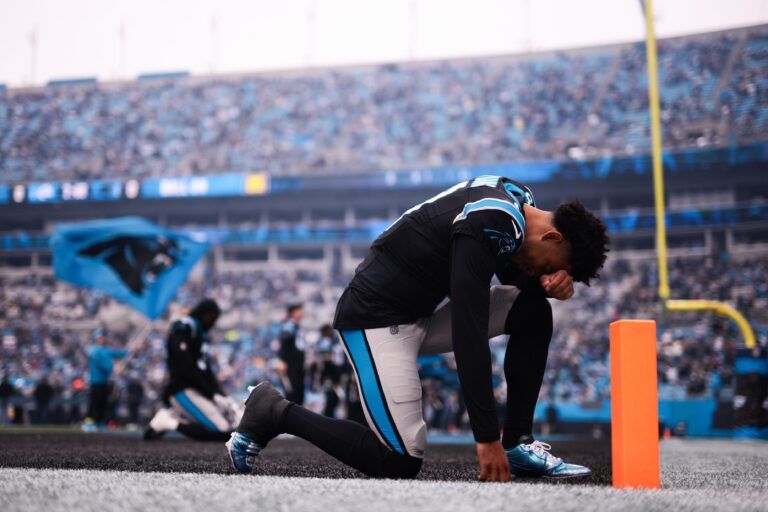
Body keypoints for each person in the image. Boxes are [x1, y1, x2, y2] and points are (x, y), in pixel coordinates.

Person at [228, 175, 609, 481]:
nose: (542, 271)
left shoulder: (515, 198)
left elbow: (511, 273)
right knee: (399, 460)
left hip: (420, 314)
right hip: (375, 320)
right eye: (549, 266)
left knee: (533, 310)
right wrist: (485, 437)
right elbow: (469, 329)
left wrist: (544, 286)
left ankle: (519, 444)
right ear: (553, 236)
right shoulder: (493, 219)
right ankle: (275, 411)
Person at [144, 298, 243, 441]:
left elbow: (205, 371)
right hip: (182, 389)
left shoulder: (199, 333)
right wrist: (211, 394)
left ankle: (177, 415)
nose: (213, 323)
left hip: (195, 389)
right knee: (221, 432)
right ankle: (170, 422)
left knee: (229, 429)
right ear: (207, 315)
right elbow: (186, 367)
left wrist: (220, 394)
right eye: (213, 318)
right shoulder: (185, 327)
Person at [85, 329, 128, 431]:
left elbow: (117, 353)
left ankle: (99, 423)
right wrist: (114, 368)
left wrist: (130, 350)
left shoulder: (103, 350)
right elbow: (105, 365)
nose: (103, 339)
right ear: (97, 339)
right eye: (101, 337)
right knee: (95, 403)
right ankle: (89, 423)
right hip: (96, 382)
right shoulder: (96, 351)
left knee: (102, 403)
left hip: (102, 382)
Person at [277, 303, 306, 405]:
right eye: (299, 310)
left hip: (298, 365)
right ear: (293, 312)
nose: (302, 313)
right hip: (291, 365)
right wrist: (282, 360)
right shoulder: (289, 326)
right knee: (292, 395)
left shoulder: (296, 326)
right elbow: (283, 342)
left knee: (299, 394)